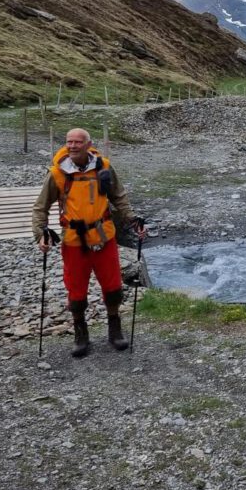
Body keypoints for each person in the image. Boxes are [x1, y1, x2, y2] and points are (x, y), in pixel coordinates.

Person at [33, 128, 146, 358]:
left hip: (104, 236)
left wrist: (132, 220)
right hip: (74, 241)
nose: (72, 146)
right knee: (76, 289)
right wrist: (40, 235)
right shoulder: (57, 174)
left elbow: (119, 197)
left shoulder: (103, 167)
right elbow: (40, 207)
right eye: (69, 142)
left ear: (88, 144)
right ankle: (80, 334)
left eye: (77, 142)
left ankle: (115, 330)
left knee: (113, 286)